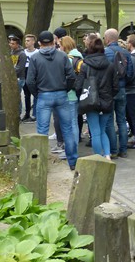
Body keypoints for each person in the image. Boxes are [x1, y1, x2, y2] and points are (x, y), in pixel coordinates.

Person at [25, 31, 78, 170]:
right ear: (53, 42)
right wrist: (65, 89)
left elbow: (30, 81)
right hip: (61, 95)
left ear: (39, 43)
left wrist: (37, 94)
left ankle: (41, 164)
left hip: (44, 95)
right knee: (68, 129)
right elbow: (71, 76)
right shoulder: (63, 56)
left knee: (42, 132)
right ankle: (73, 162)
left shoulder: (35, 58)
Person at [75, 37, 118, 160]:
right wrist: (109, 96)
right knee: (102, 130)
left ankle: (98, 158)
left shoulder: (85, 66)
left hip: (91, 101)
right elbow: (116, 87)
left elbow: (78, 86)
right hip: (107, 101)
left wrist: (81, 97)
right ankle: (107, 155)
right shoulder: (110, 66)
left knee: (95, 132)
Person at [104, 28, 134, 158]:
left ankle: (113, 150)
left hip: (109, 91)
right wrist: (123, 83)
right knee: (122, 120)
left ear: (107, 39)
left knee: (110, 121)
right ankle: (123, 149)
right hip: (122, 89)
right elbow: (130, 73)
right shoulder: (126, 52)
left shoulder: (105, 52)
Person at [60, 36, 84, 144]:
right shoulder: (79, 57)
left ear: (64, 46)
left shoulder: (67, 59)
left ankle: (72, 146)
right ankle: (75, 143)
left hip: (69, 93)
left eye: (60, 45)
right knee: (74, 121)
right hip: (78, 92)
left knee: (69, 123)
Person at [8, 35, 27, 119]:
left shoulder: (22, 54)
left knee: (16, 96)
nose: (10, 45)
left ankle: (18, 114)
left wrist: (10, 74)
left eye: (13, 44)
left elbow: (20, 68)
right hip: (12, 77)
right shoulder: (11, 52)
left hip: (19, 78)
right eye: (10, 43)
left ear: (17, 44)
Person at [21, 34, 38, 122]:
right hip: (25, 73)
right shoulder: (23, 52)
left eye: (28, 40)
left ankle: (35, 114)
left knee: (36, 94)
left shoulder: (37, 52)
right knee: (26, 95)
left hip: (35, 74)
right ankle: (27, 113)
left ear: (33, 42)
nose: (26, 42)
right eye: (25, 40)